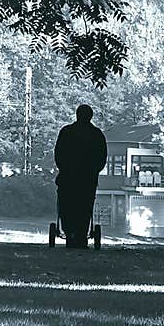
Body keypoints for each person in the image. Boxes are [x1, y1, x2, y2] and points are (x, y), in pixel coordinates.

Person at [54, 104, 107, 248]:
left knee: (67, 205)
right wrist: (94, 171)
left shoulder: (66, 132)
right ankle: (81, 233)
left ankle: (69, 231)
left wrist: (64, 169)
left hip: (68, 177)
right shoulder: (96, 134)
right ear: (91, 116)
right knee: (85, 206)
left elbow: (58, 154)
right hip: (87, 179)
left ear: (77, 115)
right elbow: (102, 157)